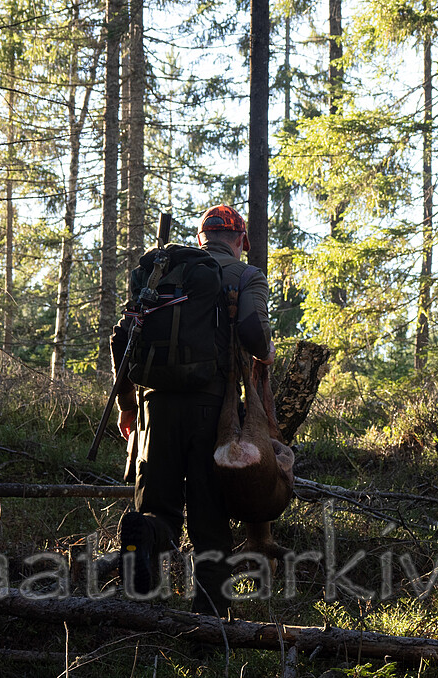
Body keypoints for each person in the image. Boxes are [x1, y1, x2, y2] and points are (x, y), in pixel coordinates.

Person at [112, 205, 274, 617]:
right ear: (240, 241)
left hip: (154, 406)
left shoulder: (162, 271)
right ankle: (210, 618)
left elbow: (123, 337)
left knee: (158, 509)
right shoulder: (245, 275)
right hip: (211, 410)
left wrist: (128, 407)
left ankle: (144, 546)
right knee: (209, 519)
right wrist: (266, 352)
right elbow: (254, 335)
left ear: (201, 238)